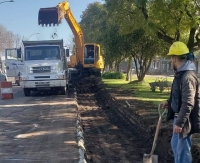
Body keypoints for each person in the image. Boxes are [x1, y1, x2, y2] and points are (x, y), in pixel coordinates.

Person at [161, 41, 199, 163]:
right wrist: (169, 102)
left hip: (185, 120)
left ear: (175, 58)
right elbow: (178, 94)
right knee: (176, 146)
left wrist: (180, 123)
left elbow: (188, 103)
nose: (171, 61)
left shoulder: (187, 77)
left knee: (182, 152)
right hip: (179, 118)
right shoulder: (181, 74)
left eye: (171, 58)